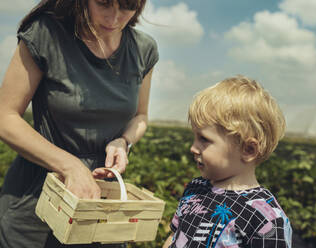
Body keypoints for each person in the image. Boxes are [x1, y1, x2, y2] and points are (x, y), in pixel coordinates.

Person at [0, 0, 158, 247]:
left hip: (100, 202)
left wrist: (123, 141)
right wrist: (70, 166)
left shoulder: (143, 49)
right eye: (104, 3)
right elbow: (5, 117)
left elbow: (140, 116)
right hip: (38, 197)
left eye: (127, 6)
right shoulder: (47, 33)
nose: (114, 18)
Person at [163, 76, 293, 248]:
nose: (193, 148)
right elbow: (174, 236)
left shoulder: (266, 218)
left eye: (204, 139)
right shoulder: (196, 188)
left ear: (248, 150)